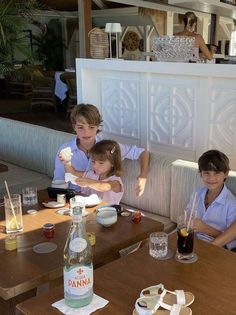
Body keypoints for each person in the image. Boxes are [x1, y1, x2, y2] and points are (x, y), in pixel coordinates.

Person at [53, 103, 149, 196]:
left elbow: (143, 153)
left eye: (91, 127)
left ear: (98, 126)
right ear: (74, 127)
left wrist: (143, 175)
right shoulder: (65, 150)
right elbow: (59, 182)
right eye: (80, 127)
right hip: (74, 201)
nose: (86, 132)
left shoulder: (108, 147)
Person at [185, 150, 236, 250]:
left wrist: (205, 228)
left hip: (216, 249)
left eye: (216, 173)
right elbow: (187, 217)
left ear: (226, 174)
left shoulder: (231, 204)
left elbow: (232, 241)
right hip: (192, 241)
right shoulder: (197, 193)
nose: (211, 178)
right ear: (200, 174)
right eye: (207, 173)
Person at [61, 140, 123, 205]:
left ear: (113, 163)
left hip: (110, 213)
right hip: (92, 210)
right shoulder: (92, 174)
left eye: (101, 163)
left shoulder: (115, 181)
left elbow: (105, 187)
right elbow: (73, 172)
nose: (95, 166)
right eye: (93, 161)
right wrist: (67, 162)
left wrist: (88, 182)